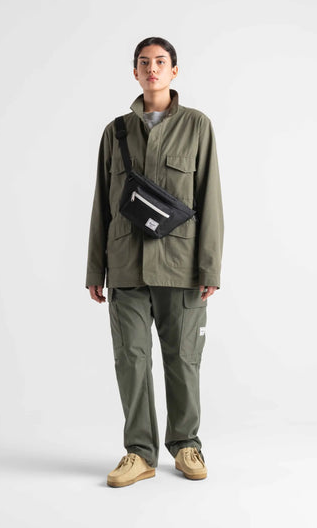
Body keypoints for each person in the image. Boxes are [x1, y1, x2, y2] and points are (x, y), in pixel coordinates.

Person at [86, 37, 224, 488]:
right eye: (144, 62)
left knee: (183, 359)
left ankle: (186, 445)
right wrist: (95, 269)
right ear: (135, 72)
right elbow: (102, 205)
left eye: (160, 62)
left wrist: (210, 268)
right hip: (125, 263)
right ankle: (138, 453)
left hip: (181, 266)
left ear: (174, 71)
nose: (152, 69)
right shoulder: (116, 132)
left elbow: (210, 199)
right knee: (130, 359)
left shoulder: (197, 126)